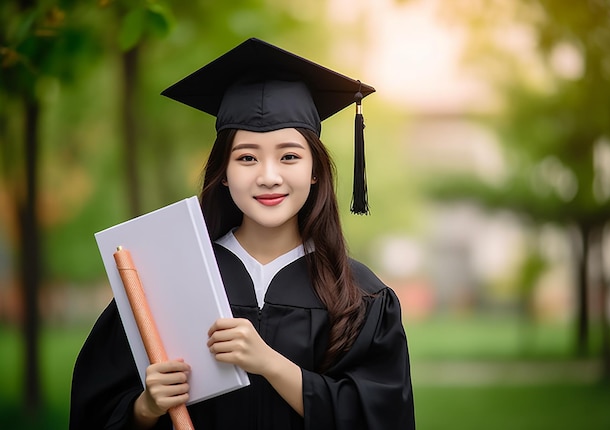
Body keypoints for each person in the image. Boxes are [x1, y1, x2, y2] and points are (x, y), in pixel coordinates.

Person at [70, 38, 415, 430]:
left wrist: (269, 364)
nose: (268, 176)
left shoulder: (358, 294)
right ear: (224, 173)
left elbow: (384, 418)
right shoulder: (166, 280)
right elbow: (93, 411)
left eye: (289, 156)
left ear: (315, 171)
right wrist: (145, 408)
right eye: (247, 157)